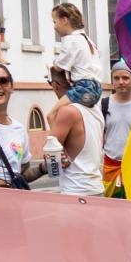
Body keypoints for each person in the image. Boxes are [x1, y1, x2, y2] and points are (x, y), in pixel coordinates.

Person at [45, 66, 104, 198]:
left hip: (75, 190)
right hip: (96, 187)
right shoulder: (95, 109)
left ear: (55, 85)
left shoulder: (67, 112)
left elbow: (51, 163)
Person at [49, 3, 103, 108]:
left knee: (52, 114)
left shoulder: (71, 40)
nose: (54, 27)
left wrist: (53, 65)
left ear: (64, 20)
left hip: (83, 89)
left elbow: (59, 67)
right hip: (96, 89)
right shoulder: (87, 39)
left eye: (55, 22)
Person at [100, 64, 131, 196]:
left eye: (125, 78)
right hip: (110, 166)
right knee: (111, 206)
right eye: (116, 78)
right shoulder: (103, 104)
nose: (121, 82)